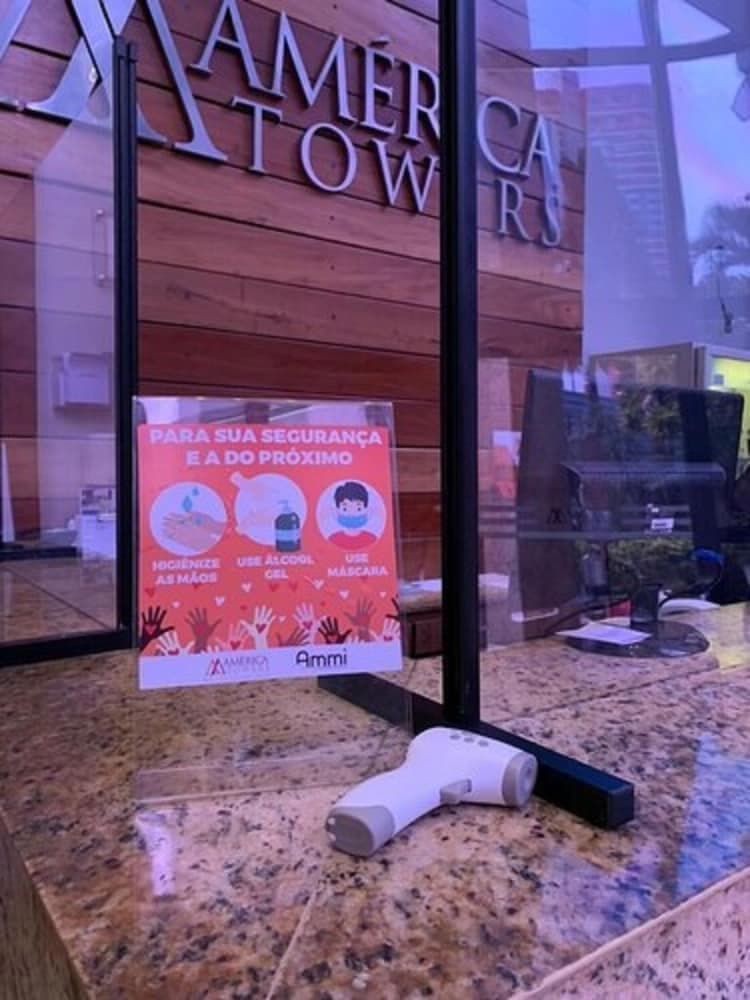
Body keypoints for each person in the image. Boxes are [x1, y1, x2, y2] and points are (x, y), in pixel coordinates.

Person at [329, 481, 378, 551]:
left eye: (358, 508)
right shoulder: (332, 540)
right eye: (345, 509)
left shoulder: (372, 539)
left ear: (366, 509)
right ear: (337, 510)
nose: (352, 513)